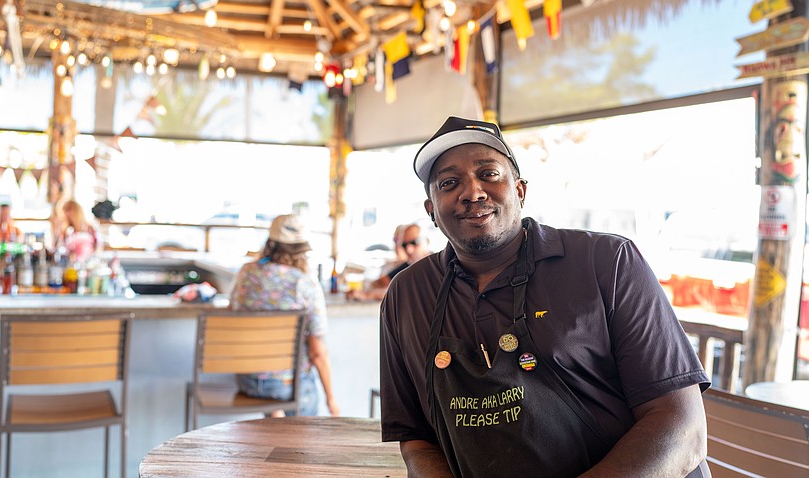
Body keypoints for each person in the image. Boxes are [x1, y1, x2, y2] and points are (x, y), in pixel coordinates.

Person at [379, 116, 711, 477]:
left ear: (520, 191)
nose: (472, 192)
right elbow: (417, 439)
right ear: (432, 210)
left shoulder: (607, 263)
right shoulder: (406, 295)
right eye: (449, 183)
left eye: (489, 174)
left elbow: (681, 426)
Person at [230, 214, 340, 417]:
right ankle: (281, 420)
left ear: (270, 244)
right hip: (288, 385)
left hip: (248, 380)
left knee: (276, 393)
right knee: (301, 394)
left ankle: (275, 415)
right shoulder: (304, 283)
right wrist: (331, 399)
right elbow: (317, 352)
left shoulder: (246, 273)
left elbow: (233, 314)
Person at [346, 223, 431, 301]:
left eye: (414, 242)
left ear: (426, 241)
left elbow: (409, 293)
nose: (409, 250)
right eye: (404, 245)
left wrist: (368, 295)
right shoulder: (409, 265)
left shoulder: (436, 265)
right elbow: (384, 282)